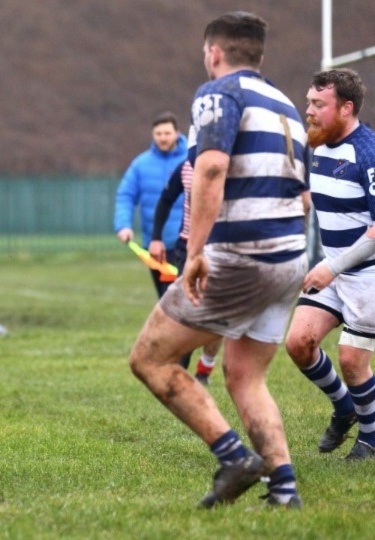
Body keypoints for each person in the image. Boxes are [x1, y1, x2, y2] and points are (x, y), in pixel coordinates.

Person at [128, 12, 309, 509]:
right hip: (289, 256)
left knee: (149, 358)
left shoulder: (219, 92)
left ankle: (233, 456)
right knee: (245, 375)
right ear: (260, 56)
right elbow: (305, 197)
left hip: (242, 255)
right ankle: (285, 490)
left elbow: (209, 168)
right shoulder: (286, 104)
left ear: (213, 52)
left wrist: (199, 250)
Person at [285, 68, 375, 461]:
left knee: (352, 360)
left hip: (366, 276)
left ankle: (370, 440)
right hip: (333, 270)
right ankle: (344, 408)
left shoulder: (368, 153)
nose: (309, 110)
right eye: (309, 102)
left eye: (319, 104)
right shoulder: (317, 146)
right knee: (298, 344)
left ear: (346, 108)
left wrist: (334, 266)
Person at [149, 159, 223, 384]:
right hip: (187, 248)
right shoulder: (185, 167)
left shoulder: (233, 164)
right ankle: (178, 368)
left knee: (216, 314)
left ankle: (205, 368)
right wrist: (156, 238)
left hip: (222, 249)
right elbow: (165, 199)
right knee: (185, 308)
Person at [114, 111, 189, 298]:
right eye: (158, 134)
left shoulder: (190, 160)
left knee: (175, 301)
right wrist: (123, 225)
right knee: (164, 298)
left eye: (167, 133)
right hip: (154, 246)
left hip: (184, 245)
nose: (163, 138)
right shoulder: (141, 164)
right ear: (153, 135)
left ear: (177, 133)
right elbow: (126, 195)